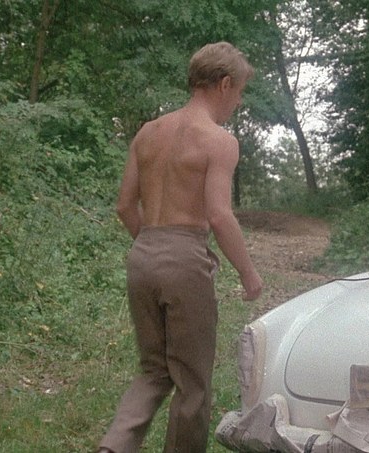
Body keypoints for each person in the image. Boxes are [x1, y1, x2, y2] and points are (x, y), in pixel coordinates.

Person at [97, 42, 263, 453]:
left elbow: (124, 206)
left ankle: (113, 446)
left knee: (154, 370)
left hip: (143, 255)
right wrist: (249, 274)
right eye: (239, 91)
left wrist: (155, 246)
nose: (239, 102)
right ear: (224, 84)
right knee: (193, 383)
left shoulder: (148, 133)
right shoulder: (218, 140)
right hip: (185, 258)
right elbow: (219, 215)